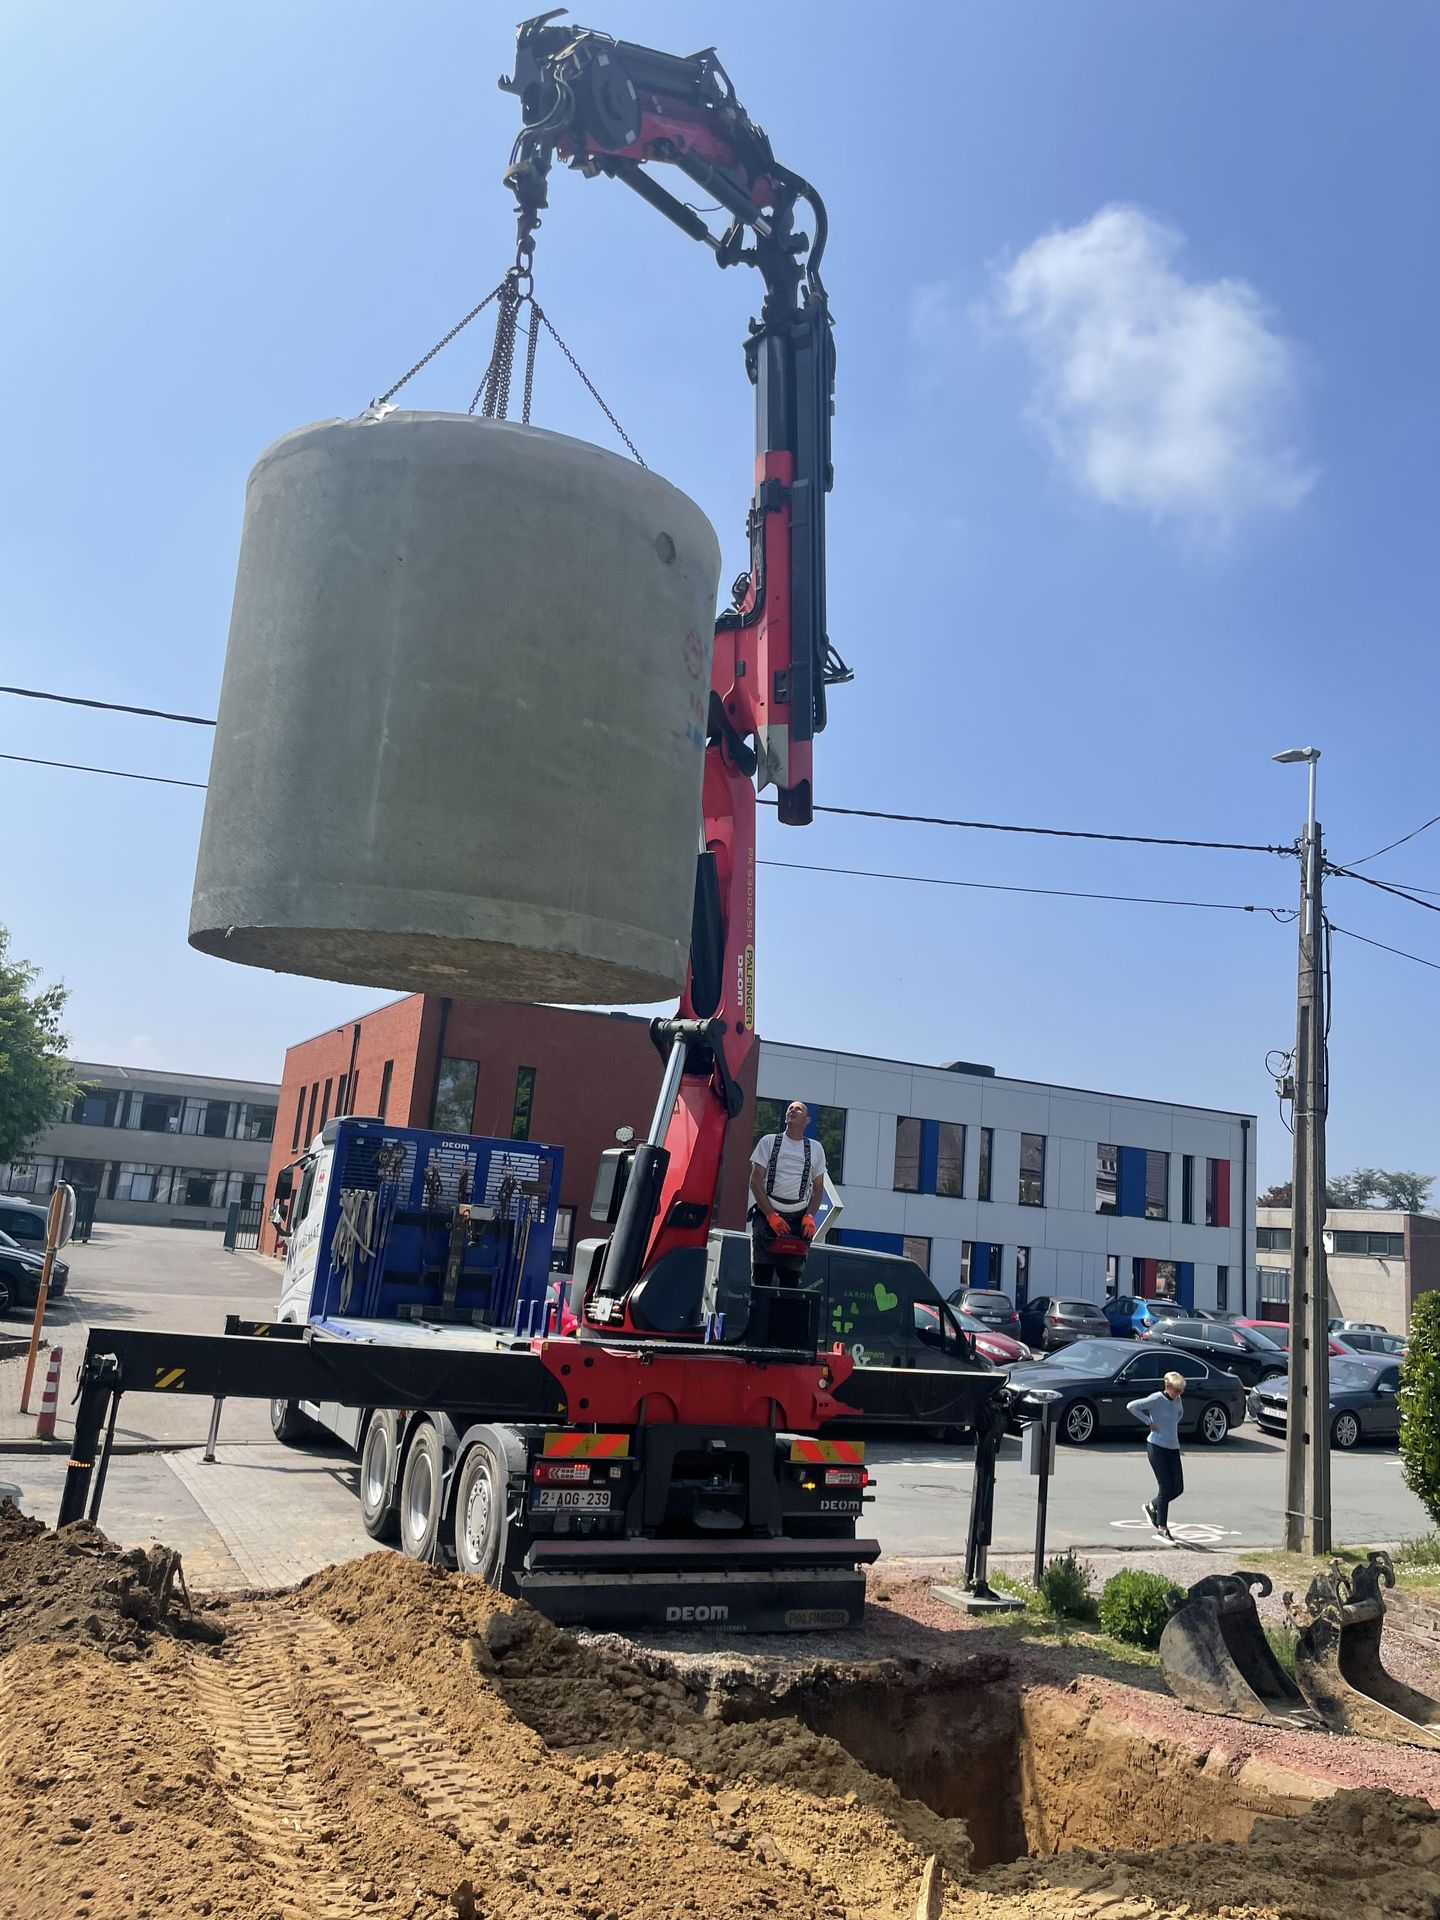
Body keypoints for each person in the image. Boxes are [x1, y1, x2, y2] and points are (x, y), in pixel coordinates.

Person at [749, 1100, 826, 1287]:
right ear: (785, 1117)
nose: (792, 1110)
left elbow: (818, 1189)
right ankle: (759, 1313)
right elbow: (755, 1182)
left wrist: (809, 1217)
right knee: (761, 1280)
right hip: (768, 1217)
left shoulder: (815, 1149)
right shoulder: (769, 1142)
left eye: (798, 1109)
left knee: (790, 1282)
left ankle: (783, 1315)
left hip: (798, 1220)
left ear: (807, 1120)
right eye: (790, 1108)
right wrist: (771, 1216)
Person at [1128, 1368, 1186, 1541]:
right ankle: (1162, 1527)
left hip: (1173, 1447)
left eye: (1181, 1390)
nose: (1178, 1393)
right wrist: (1149, 1422)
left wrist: (1172, 1423)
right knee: (1165, 1486)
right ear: (1167, 1386)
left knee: (1178, 1488)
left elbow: (1180, 1413)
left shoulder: (1178, 1400)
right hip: (1156, 1447)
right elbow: (1132, 1406)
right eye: (1176, 1390)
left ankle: (1152, 1506)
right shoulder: (1156, 1399)